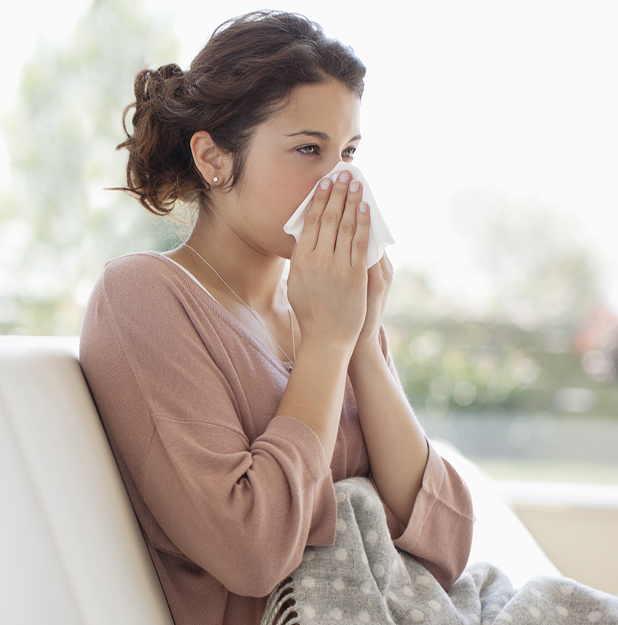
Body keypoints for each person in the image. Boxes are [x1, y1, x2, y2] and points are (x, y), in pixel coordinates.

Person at [79, 11, 474, 625]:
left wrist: (362, 341)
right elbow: (252, 552)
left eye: (349, 152)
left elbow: (448, 545)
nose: (340, 180)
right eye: (308, 149)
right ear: (213, 157)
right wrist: (326, 344)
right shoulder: (144, 295)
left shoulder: (328, 308)